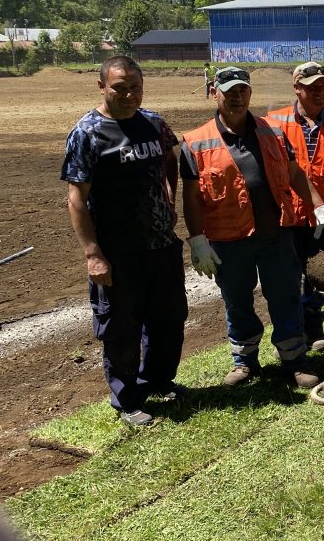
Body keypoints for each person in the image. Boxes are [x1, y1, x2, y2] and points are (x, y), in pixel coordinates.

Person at [180, 66, 324, 389]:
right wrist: (197, 240)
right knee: (237, 301)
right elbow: (191, 198)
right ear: (214, 93)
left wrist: (318, 205)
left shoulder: (273, 132)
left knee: (285, 296)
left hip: (275, 234)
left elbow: (294, 174)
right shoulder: (195, 142)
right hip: (228, 240)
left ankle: (295, 361)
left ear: (250, 93)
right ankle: (245, 362)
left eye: (242, 91)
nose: (237, 98)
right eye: (229, 92)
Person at [62, 55, 187, 427]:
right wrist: (92, 253)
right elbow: (77, 199)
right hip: (119, 251)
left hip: (161, 245)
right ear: (102, 86)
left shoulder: (153, 122)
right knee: (122, 328)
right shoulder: (87, 133)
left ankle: (159, 381)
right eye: (120, 87)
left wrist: (169, 198)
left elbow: (170, 160)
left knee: (169, 319)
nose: (128, 94)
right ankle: (128, 398)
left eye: (135, 86)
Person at [266, 62, 324, 351]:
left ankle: (314, 328)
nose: (319, 92)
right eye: (312, 87)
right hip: (288, 217)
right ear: (296, 88)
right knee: (287, 278)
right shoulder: (274, 123)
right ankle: (293, 333)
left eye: (323, 87)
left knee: (319, 277)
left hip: (323, 217)